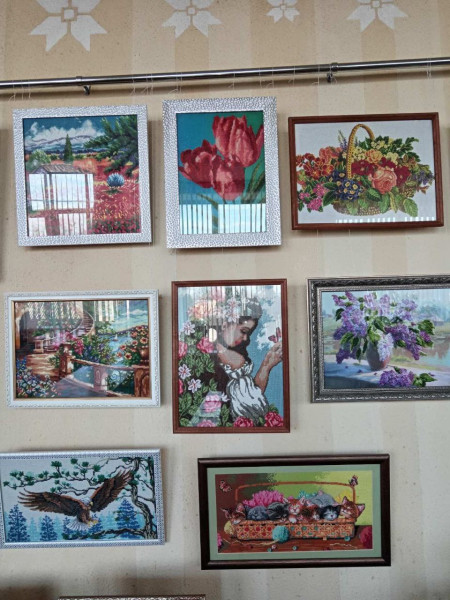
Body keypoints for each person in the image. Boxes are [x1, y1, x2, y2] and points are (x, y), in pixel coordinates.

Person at [208, 297, 283, 422]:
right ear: (224, 325)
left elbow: (250, 398)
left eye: (248, 333)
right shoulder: (231, 359)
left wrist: (266, 365)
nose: (245, 339)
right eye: (243, 331)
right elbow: (249, 407)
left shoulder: (233, 357)